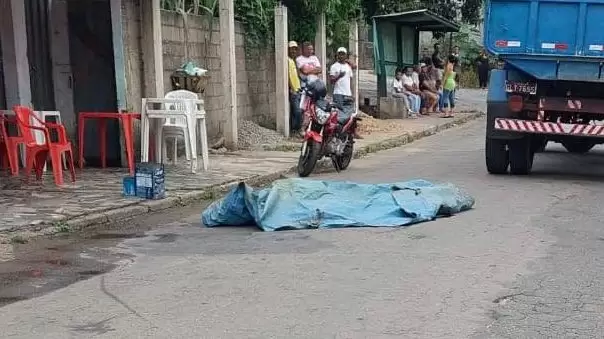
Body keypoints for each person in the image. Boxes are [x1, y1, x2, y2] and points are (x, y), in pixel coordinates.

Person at [329, 47, 362, 139]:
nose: (341, 56)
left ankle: (352, 133)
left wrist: (352, 94)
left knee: (351, 114)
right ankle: (337, 133)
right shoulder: (334, 66)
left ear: (346, 55)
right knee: (339, 115)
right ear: (337, 55)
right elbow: (331, 81)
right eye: (339, 54)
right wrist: (338, 76)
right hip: (338, 94)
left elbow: (350, 81)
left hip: (348, 94)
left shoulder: (348, 67)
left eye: (343, 54)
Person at [287, 41, 303, 135]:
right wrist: (292, 88)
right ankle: (296, 129)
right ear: (288, 49)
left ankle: (294, 130)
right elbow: (288, 76)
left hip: (298, 89)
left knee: (294, 111)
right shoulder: (287, 60)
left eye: (295, 49)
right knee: (297, 111)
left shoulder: (293, 61)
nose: (293, 51)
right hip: (293, 90)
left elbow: (296, 76)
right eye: (292, 49)